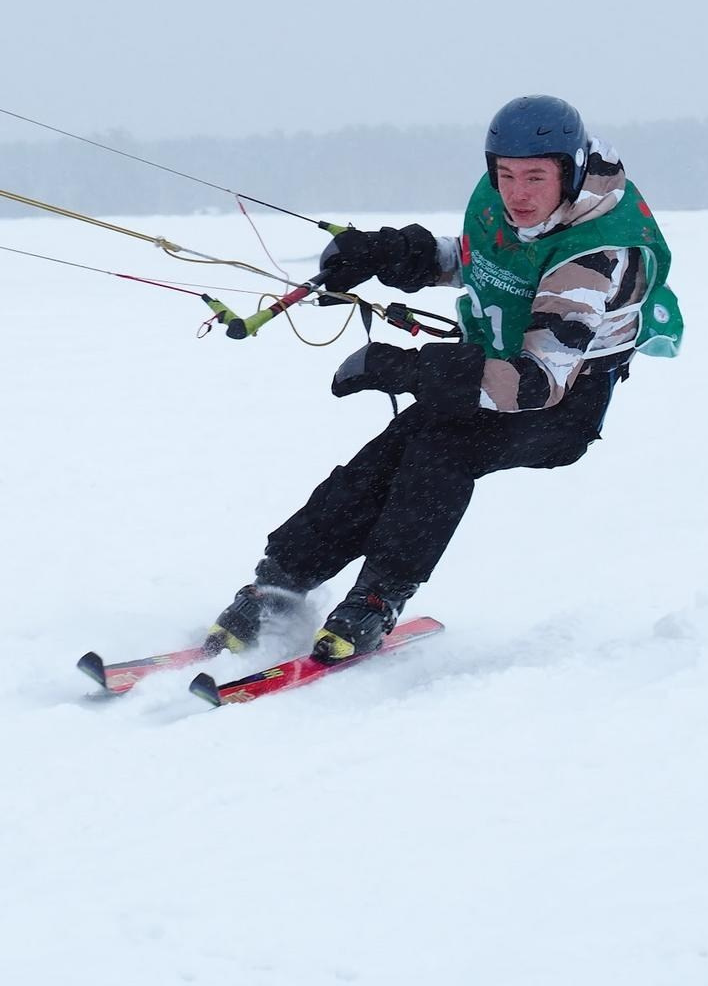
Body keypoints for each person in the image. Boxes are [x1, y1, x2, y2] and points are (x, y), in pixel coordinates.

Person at [206, 94, 682, 661]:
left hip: (563, 405)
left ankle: (376, 601)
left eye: (535, 177)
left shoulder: (595, 255)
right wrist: (394, 253)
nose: (517, 193)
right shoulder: (509, 205)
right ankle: (280, 584)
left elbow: (537, 382)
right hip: (490, 371)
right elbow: (484, 258)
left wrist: (408, 368)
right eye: (505, 175)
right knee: (389, 452)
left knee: (441, 450)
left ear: (571, 171)